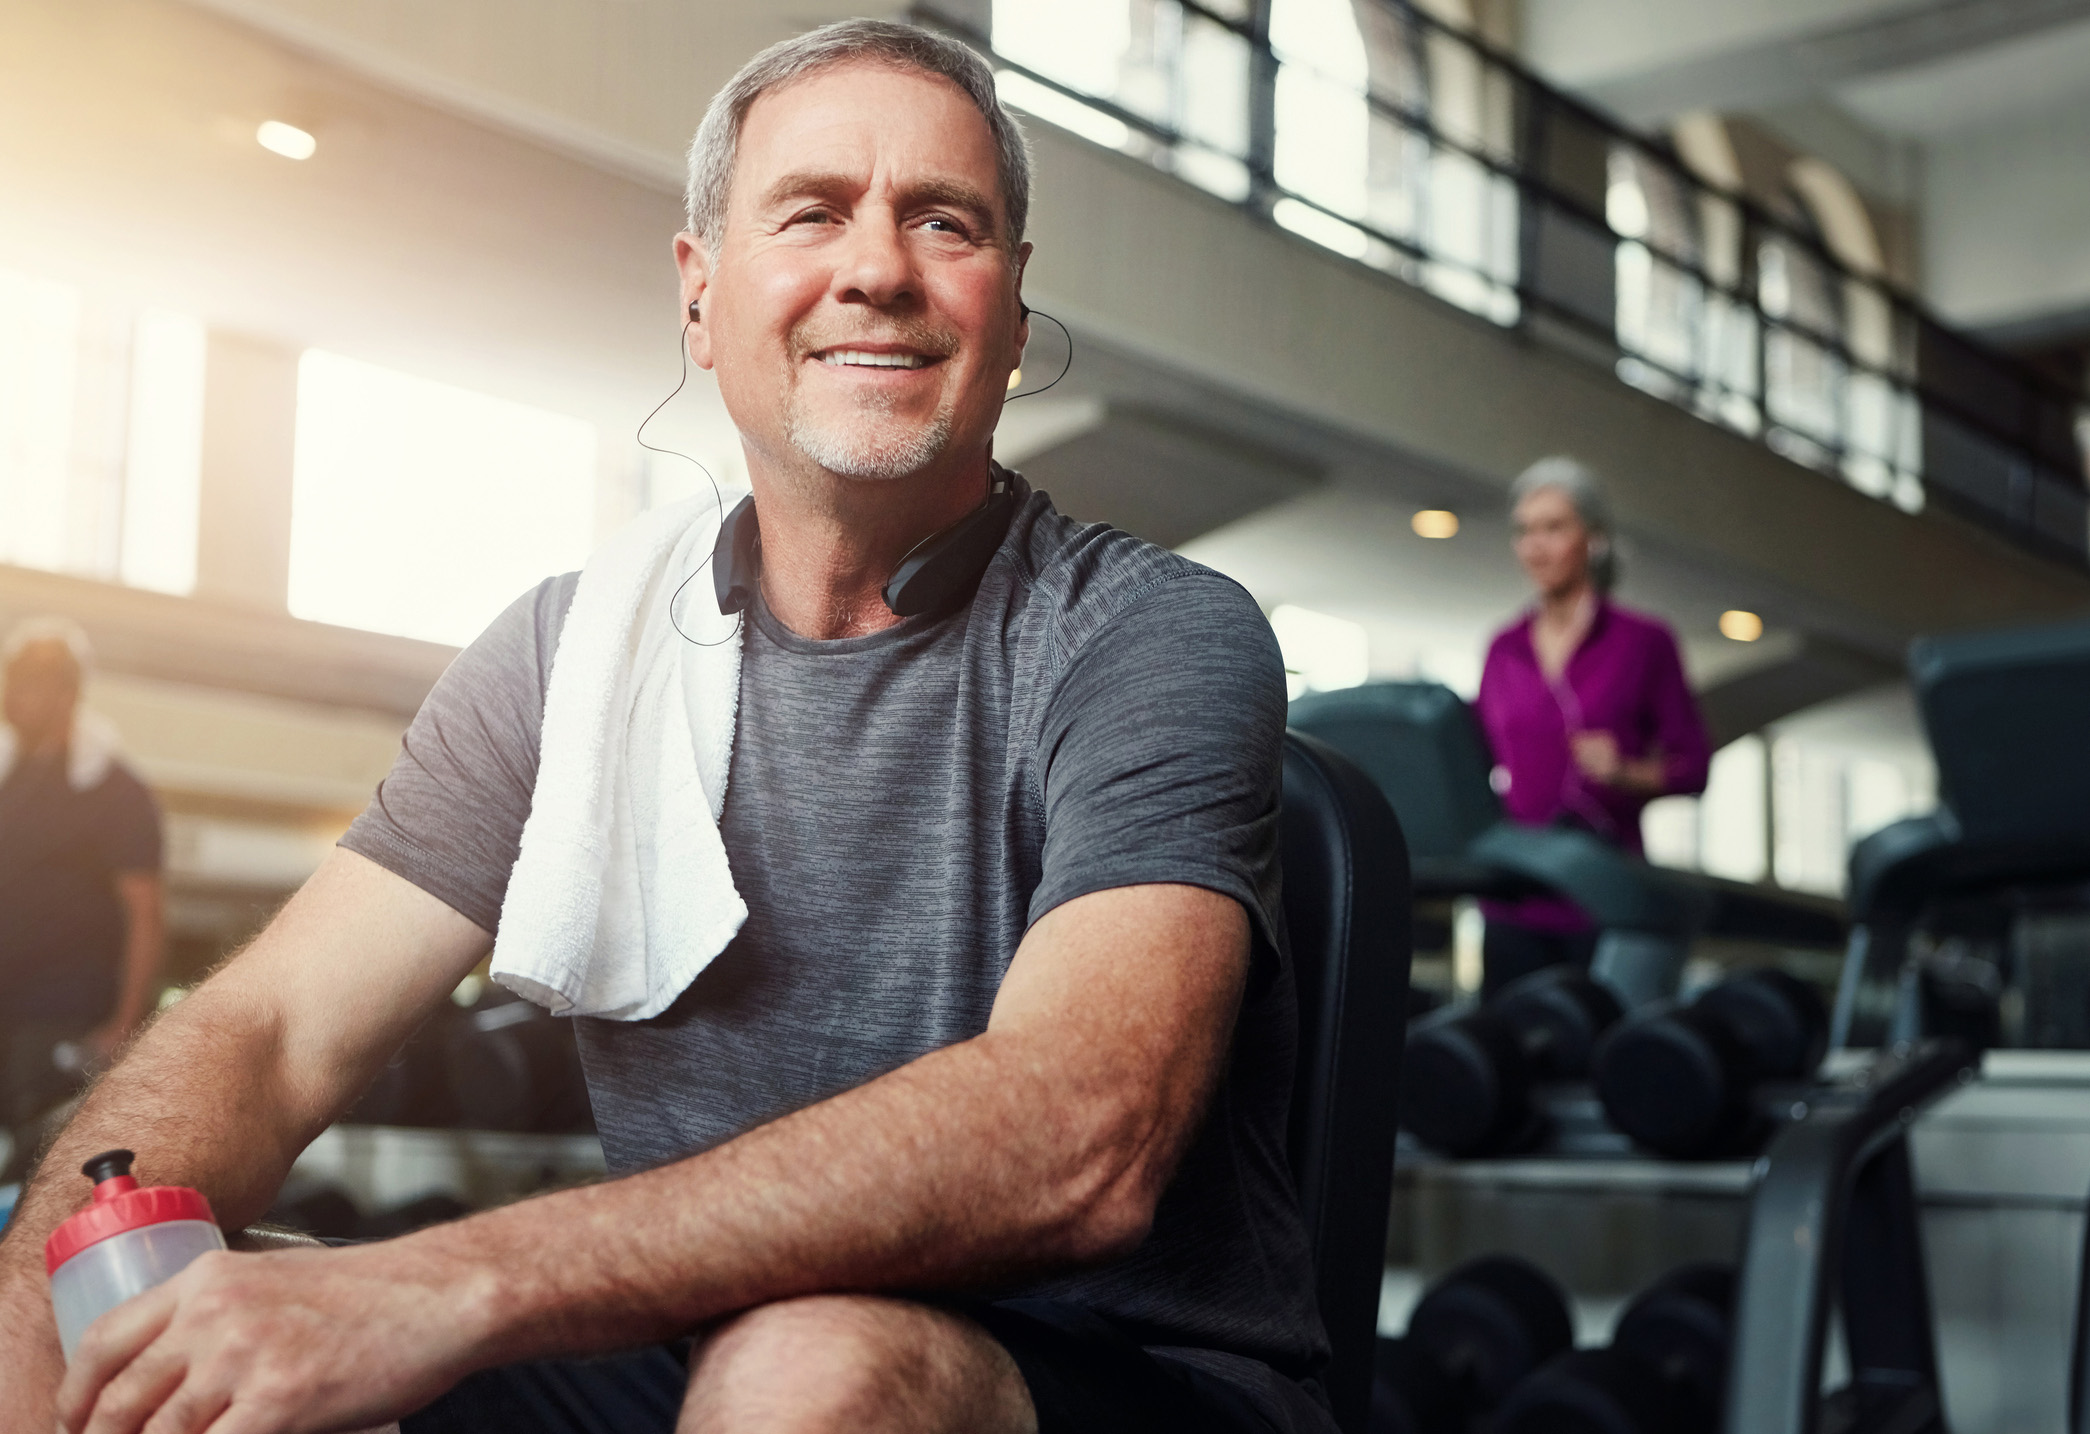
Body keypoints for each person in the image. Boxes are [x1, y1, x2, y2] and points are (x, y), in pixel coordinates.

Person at [0, 22, 1333, 1434]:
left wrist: (441, 1285)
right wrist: (46, 1299)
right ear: (699, 297)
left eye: (943, 223)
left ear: (1007, 309)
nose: (875, 268)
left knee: (810, 1364)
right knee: (139, 1335)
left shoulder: (1146, 633)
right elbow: (270, 1035)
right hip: (710, 1351)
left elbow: (1083, 1127)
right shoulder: (572, 655)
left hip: (1116, 1383)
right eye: (811, 212)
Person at [1472, 457, 1710, 997]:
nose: (1536, 546)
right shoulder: (1503, 649)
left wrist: (1627, 772)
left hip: (1607, 896)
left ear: (1594, 539)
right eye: (1524, 531)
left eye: (1554, 528)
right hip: (1515, 895)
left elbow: (1694, 766)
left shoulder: (1644, 642)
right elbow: (1474, 760)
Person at [0, 618, 165, 1131]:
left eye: (33, 684)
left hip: (63, 1018)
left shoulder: (115, 791)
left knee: (36, 1167)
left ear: (68, 692)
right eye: (13, 680)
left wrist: (124, 1025)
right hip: (6, 1008)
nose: (16, 695)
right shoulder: (9, 776)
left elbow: (147, 915)